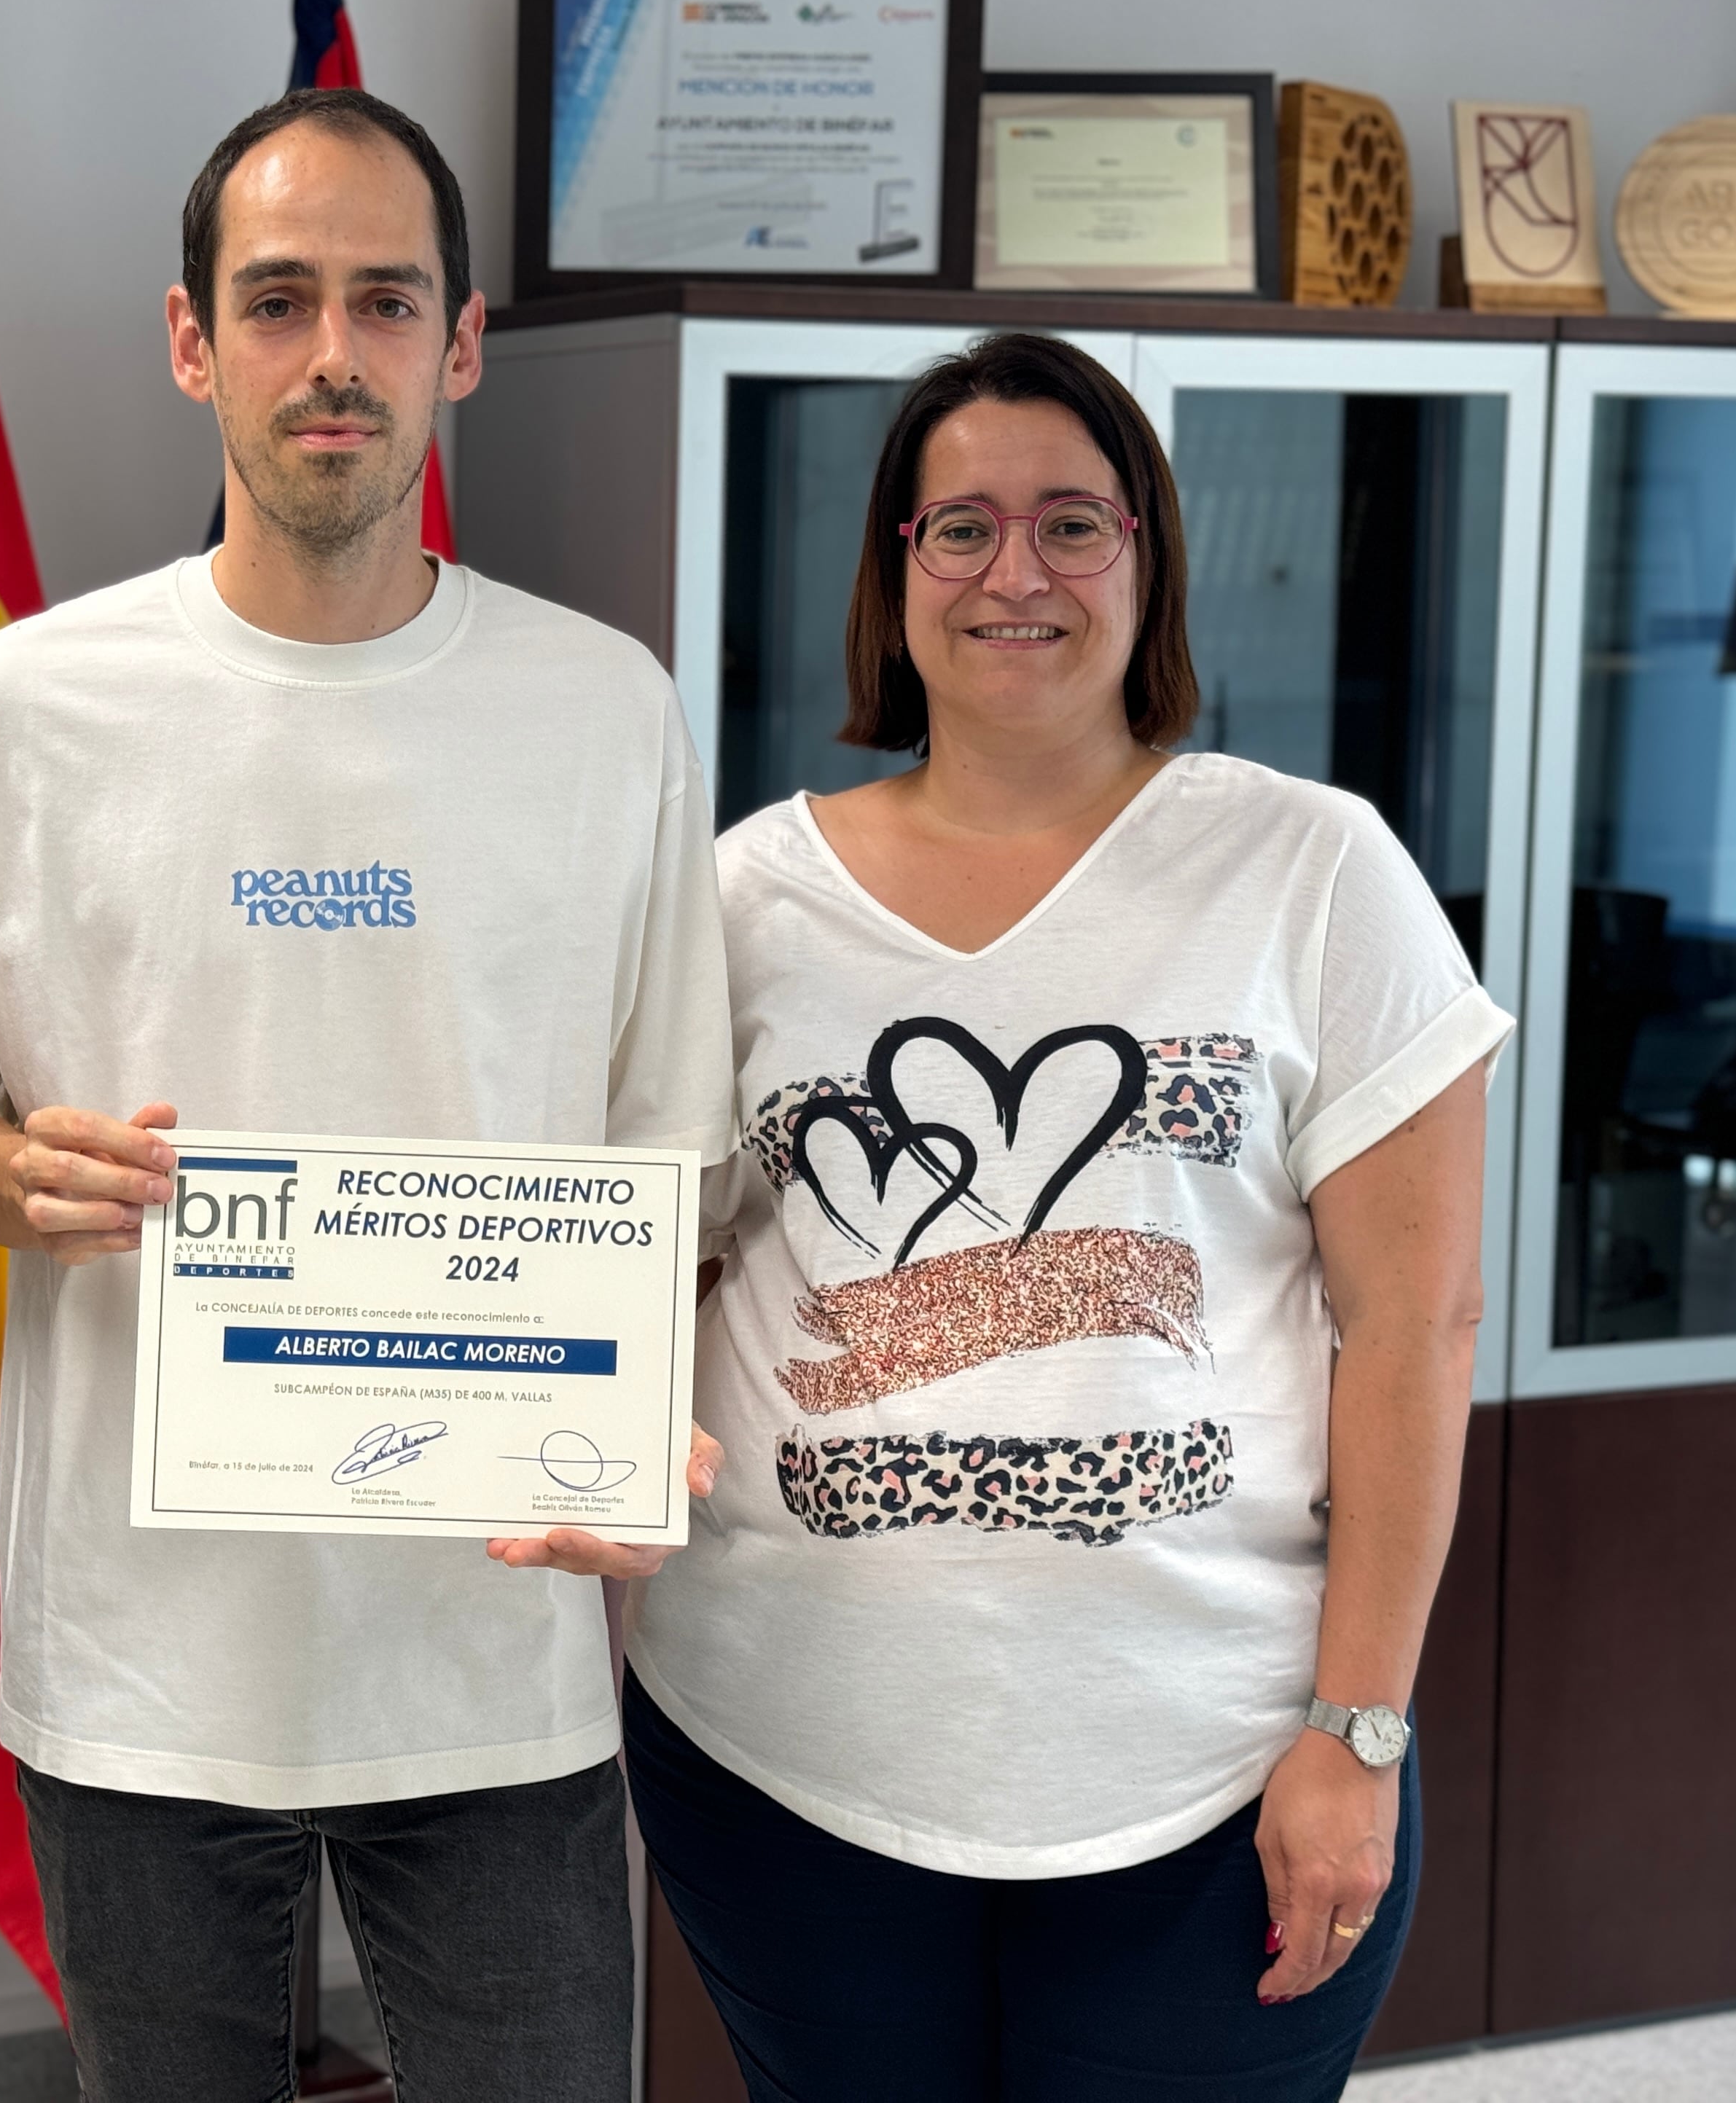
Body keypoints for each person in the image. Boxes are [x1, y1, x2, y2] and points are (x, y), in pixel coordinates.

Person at [0, 87, 732, 2099]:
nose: (329, 355)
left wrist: (636, 1436)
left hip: (496, 1661)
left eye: (382, 301)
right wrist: (22, 1171)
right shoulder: (30, 703)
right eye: (275, 303)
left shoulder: (607, 708)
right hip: (144, 1663)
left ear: (463, 342)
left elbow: (667, 1154)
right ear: (194, 343)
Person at [620, 332, 1512, 2101]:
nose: (1013, 571)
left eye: (1070, 524)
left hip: (1213, 1773)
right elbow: (646, 1253)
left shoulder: (1314, 872)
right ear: (895, 570)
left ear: (1148, 556)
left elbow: (1413, 1329)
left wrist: (1359, 1733)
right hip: (788, 1757)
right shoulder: (739, 898)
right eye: (958, 526)